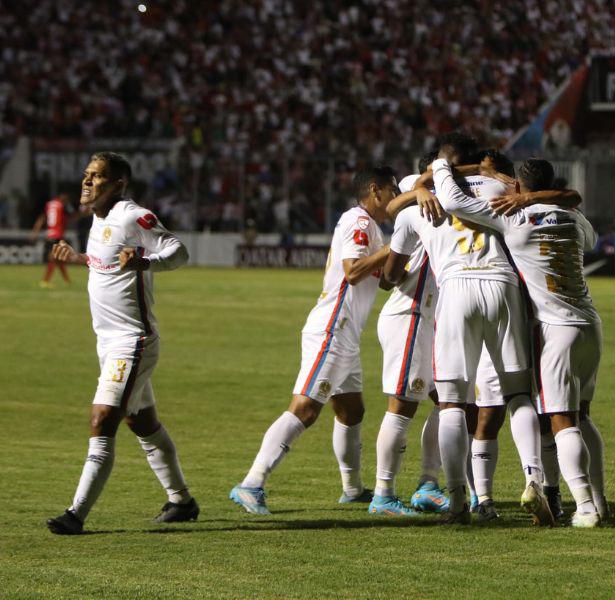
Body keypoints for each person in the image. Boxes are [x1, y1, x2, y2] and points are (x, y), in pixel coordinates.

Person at [437, 156, 607, 527]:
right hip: (591, 326)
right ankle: (599, 499)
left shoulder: (512, 217)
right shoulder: (575, 218)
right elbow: (587, 230)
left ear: (518, 188)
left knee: (562, 420)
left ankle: (586, 508)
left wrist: (441, 167)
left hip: (554, 329)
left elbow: (454, 202)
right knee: (583, 415)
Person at [384, 132, 536, 525]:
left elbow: (391, 245)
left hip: (455, 291)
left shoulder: (425, 196)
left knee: (452, 402)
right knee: (518, 394)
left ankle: (456, 501)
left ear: (439, 162)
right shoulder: (502, 184)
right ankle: (532, 483)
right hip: (503, 285)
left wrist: (422, 188)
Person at [229, 166, 398, 515]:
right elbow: (353, 271)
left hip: (347, 333)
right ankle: (251, 482)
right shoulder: (359, 222)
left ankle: (352, 490)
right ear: (375, 190)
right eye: (392, 190)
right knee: (305, 408)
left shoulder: (373, 230)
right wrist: (396, 245)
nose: (395, 198)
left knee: (352, 410)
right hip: (333, 327)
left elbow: (381, 280)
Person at [46, 152, 196, 535]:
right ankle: (181, 501)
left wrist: (144, 260)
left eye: (97, 177)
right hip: (107, 342)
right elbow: (107, 263)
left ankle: (75, 515)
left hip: (133, 341)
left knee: (102, 419)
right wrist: (79, 257)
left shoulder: (133, 215)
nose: (87, 181)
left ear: (118, 184)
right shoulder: (97, 220)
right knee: (142, 423)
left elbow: (178, 251)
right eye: (86, 175)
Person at [369, 152, 449, 516]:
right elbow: (396, 205)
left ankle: (428, 485)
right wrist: (421, 187)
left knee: (447, 400)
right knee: (402, 406)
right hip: (410, 314)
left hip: (430, 318)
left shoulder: (447, 195)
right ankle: (382, 495)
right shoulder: (412, 189)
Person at [29, 193, 73, 288]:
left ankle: (67, 281)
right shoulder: (62, 206)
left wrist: (35, 232)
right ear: (65, 200)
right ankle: (45, 281)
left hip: (49, 234)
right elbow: (69, 218)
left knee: (58, 259)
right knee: (53, 258)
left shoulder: (49, 204)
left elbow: (42, 218)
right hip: (57, 234)